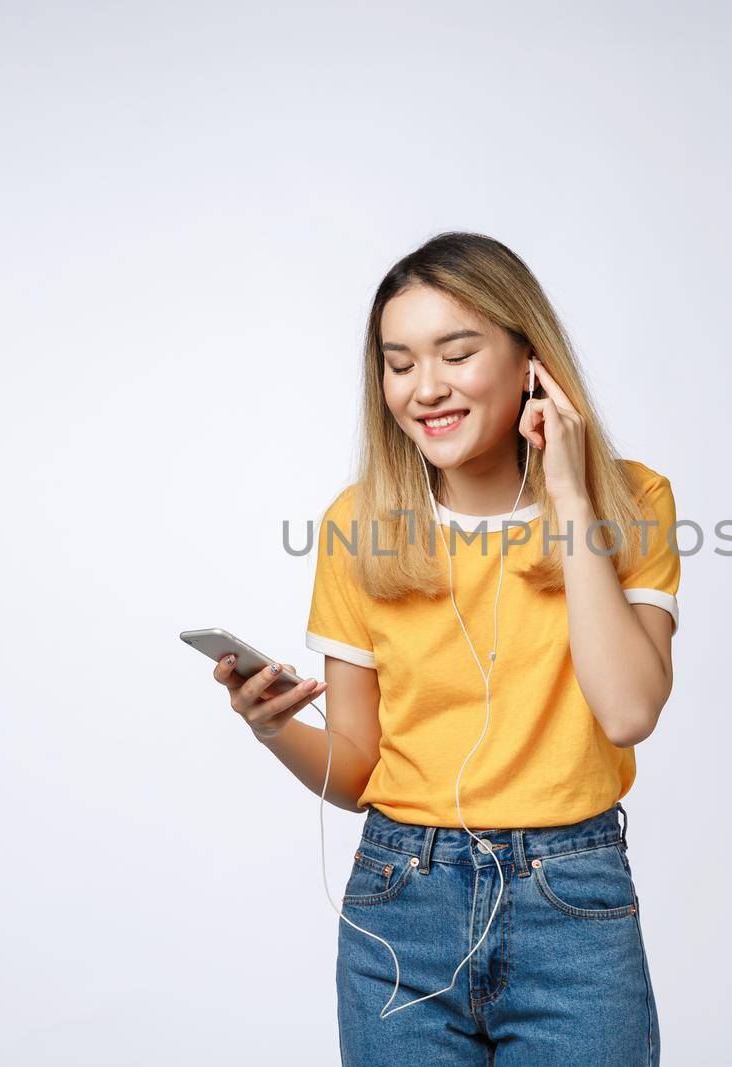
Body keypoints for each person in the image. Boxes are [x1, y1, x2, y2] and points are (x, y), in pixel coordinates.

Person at [213, 232, 679, 1065]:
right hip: (402, 904)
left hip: (571, 901)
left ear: (529, 360)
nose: (425, 388)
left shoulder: (632, 501)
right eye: (398, 364)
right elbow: (355, 771)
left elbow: (629, 708)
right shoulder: (359, 526)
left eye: (456, 354)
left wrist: (568, 491)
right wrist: (270, 723)